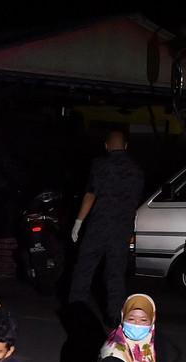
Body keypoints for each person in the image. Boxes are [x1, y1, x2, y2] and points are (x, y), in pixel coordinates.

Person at [67, 129, 145, 323]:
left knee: (84, 270)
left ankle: (76, 312)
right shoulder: (137, 170)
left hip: (98, 227)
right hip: (121, 229)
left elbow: (90, 195)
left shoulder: (99, 165)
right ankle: (114, 318)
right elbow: (134, 204)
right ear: (126, 147)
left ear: (106, 146)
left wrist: (78, 222)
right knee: (116, 275)